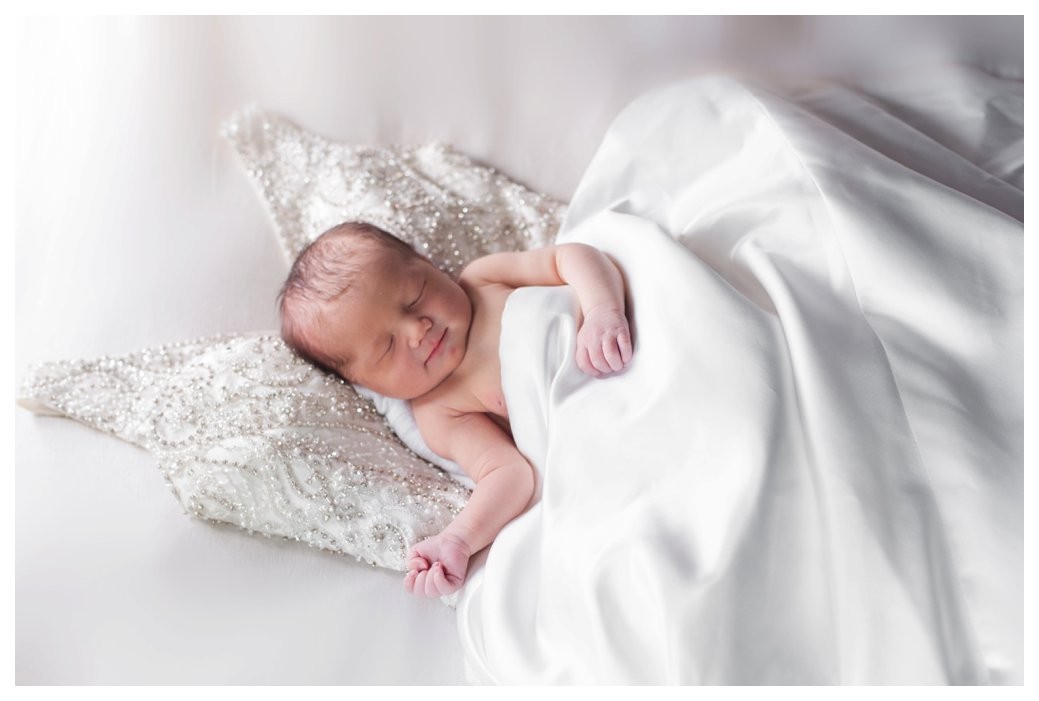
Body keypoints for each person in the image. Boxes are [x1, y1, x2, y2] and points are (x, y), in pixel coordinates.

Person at [278, 221, 633, 597]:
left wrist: (601, 311)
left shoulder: (483, 280)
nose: (418, 329)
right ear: (368, 384)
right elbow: (509, 474)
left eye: (415, 297)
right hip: (612, 426)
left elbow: (571, 257)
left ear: (429, 264)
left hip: (629, 336)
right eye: (387, 347)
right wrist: (458, 540)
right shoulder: (439, 412)